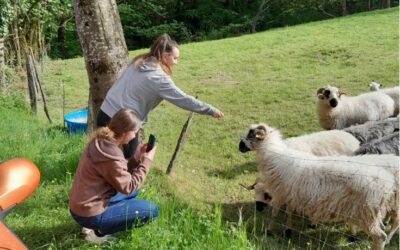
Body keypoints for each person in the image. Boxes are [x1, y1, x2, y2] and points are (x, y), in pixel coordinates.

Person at [97, 33, 224, 159]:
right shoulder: (159, 78)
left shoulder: (139, 61)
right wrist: (210, 110)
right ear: (164, 56)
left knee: (103, 157)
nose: (176, 62)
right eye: (175, 58)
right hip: (123, 123)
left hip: (104, 113)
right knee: (125, 158)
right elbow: (183, 99)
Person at [69, 108, 158, 244]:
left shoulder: (100, 141)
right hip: (88, 214)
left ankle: (95, 223)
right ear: (125, 133)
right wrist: (147, 160)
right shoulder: (113, 154)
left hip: (80, 205)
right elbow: (129, 186)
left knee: (132, 195)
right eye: (134, 132)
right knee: (152, 210)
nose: (135, 136)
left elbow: (116, 172)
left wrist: (136, 157)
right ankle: (98, 232)